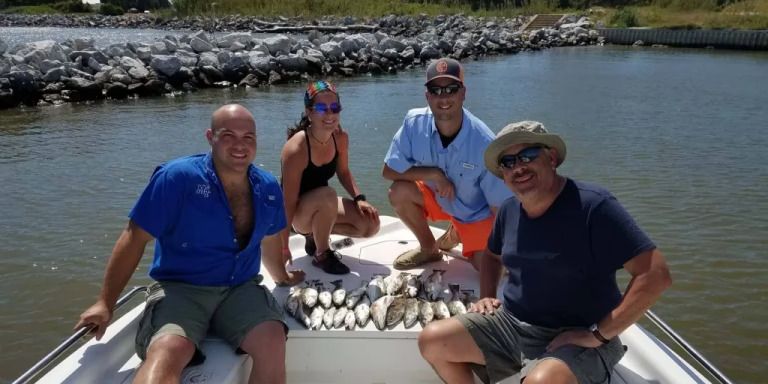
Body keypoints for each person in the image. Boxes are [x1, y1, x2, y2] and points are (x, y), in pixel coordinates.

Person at [418, 121, 673, 384]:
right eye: (508, 162)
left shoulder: (593, 206)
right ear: (503, 174)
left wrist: (597, 335)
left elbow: (655, 274)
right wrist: (487, 296)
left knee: (540, 382)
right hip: (514, 324)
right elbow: (492, 256)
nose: (518, 167)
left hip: (581, 335)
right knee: (432, 339)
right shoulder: (509, 210)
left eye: (527, 155)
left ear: (551, 157)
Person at [75, 104, 305, 384]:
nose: (239, 146)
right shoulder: (177, 178)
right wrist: (105, 303)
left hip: (239, 289)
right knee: (169, 350)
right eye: (228, 135)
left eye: (248, 137)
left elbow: (269, 243)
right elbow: (134, 238)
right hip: (181, 289)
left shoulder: (267, 187)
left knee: (272, 340)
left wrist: (282, 277)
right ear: (210, 137)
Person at [382, 58, 512, 271]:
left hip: (475, 214)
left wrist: (506, 249)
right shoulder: (413, 123)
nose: (443, 97)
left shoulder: (485, 142)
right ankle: (429, 249)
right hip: (438, 198)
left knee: (494, 269)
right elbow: (389, 171)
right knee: (398, 191)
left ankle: (459, 232)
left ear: (463, 93)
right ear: (427, 96)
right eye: (436, 90)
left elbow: (499, 207)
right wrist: (434, 174)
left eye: (451, 89)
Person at [280, 80, 380, 275]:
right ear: (309, 112)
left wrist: (359, 199)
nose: (330, 114)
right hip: (300, 216)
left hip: (323, 206)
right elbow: (288, 201)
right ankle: (322, 253)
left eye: (335, 107)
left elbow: (343, 172)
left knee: (370, 225)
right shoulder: (296, 148)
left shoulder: (340, 138)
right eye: (321, 108)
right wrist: (284, 246)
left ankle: (315, 238)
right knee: (328, 194)